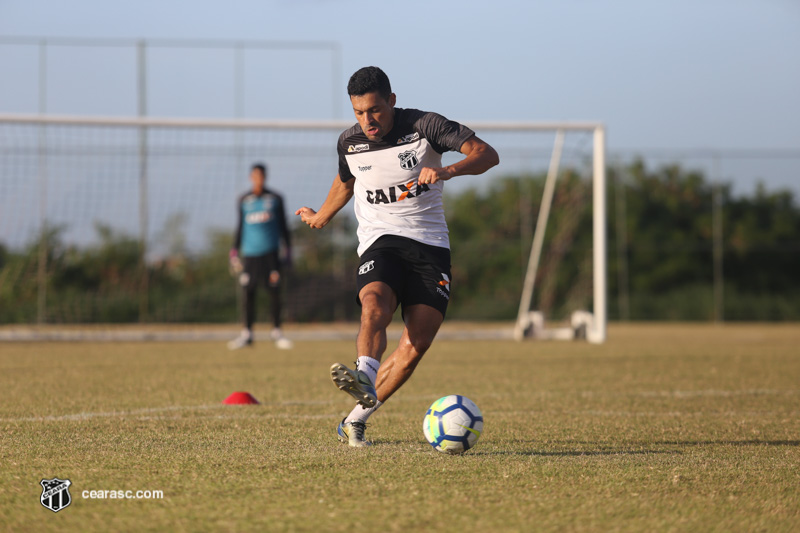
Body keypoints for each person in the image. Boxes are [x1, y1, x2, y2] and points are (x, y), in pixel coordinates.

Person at [296, 66, 499, 446]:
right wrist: (321, 216)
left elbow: (487, 155)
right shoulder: (349, 143)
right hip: (381, 240)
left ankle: (354, 419)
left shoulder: (426, 126)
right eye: (358, 112)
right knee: (374, 304)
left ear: (391, 101)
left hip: (430, 246)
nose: (367, 120)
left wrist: (447, 171)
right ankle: (364, 373)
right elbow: (346, 181)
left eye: (374, 110)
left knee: (414, 346)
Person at [228, 163, 293, 350]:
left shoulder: (275, 199)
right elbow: (240, 227)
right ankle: (247, 334)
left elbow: (284, 226)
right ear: (251, 177)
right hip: (250, 254)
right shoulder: (244, 200)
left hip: (271, 253)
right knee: (248, 291)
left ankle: (277, 332)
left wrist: (288, 250)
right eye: (255, 176)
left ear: (265, 177)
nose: (259, 179)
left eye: (261, 176)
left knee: (274, 291)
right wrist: (234, 251)